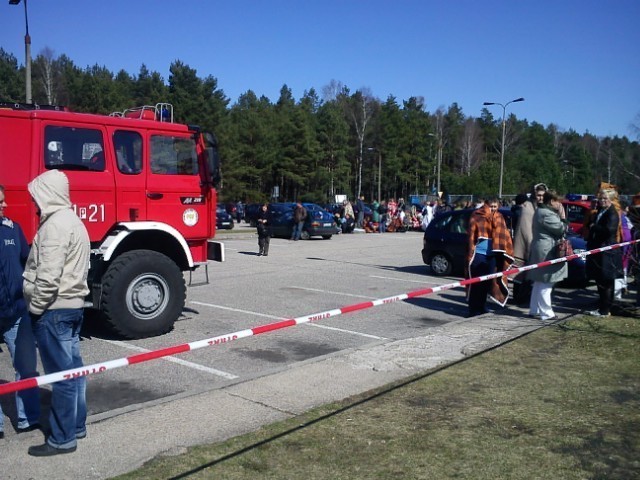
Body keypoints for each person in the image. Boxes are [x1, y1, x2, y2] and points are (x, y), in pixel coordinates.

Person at [23, 170, 90, 457]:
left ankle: (62, 439)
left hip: (54, 310)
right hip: (72, 307)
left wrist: (36, 309)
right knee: (74, 373)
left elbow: (48, 278)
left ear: (47, 194)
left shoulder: (54, 226)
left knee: (62, 378)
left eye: (37, 195)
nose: (34, 202)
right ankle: (76, 426)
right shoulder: (74, 221)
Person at [0, 185, 40, 439]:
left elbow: (27, 261)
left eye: (3, 201)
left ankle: (27, 419)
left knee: (25, 367)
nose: (4, 205)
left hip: (15, 312)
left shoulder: (12, 229)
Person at [466, 197, 514, 317]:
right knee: (477, 283)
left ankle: (482, 306)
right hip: (479, 255)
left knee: (488, 283)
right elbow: (471, 235)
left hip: (493, 255)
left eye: (494, 206)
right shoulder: (476, 215)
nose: (492, 209)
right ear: (486, 205)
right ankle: (473, 309)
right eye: (490, 206)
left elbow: (504, 236)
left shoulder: (499, 217)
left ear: (498, 206)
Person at [527, 190, 568, 320]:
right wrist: (563, 219)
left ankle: (534, 309)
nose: (559, 204)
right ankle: (546, 313)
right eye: (558, 201)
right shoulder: (546, 213)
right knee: (547, 281)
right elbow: (561, 228)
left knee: (539, 281)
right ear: (551, 201)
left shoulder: (541, 211)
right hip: (546, 250)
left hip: (541, 247)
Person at [583, 187, 622, 317]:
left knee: (606, 281)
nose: (602, 201)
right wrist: (591, 224)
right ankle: (603, 307)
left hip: (607, 251)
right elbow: (591, 224)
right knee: (600, 280)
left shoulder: (612, 213)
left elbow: (608, 231)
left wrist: (594, 227)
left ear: (611, 200)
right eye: (601, 198)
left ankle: (604, 310)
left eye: (605, 199)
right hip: (598, 249)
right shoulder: (600, 210)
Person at [512, 183, 553, 305]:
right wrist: (533, 245)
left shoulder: (544, 207)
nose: (540, 197)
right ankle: (519, 299)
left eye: (542, 195)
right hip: (527, 246)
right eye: (538, 195)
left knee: (534, 277)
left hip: (539, 245)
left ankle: (531, 300)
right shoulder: (527, 207)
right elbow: (525, 229)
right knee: (521, 275)